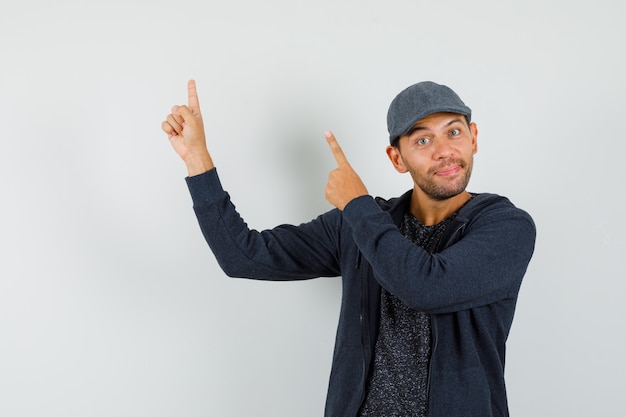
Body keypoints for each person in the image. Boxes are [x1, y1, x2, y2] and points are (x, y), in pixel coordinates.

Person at [161, 79, 536, 417]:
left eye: (453, 132)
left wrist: (357, 204)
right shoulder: (361, 223)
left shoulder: (506, 227)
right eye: (422, 140)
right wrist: (197, 159)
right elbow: (243, 256)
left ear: (473, 138)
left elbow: (428, 287)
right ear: (397, 159)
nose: (443, 151)